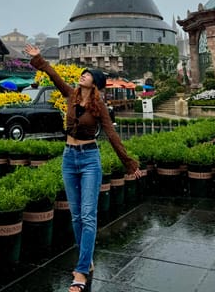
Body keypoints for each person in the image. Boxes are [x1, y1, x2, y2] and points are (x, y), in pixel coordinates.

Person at [24, 44, 141, 292]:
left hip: (89, 159)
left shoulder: (99, 109)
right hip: (69, 158)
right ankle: (87, 261)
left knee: (88, 216)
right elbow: (54, 76)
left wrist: (128, 162)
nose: (83, 74)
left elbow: (111, 135)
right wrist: (39, 59)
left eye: (87, 74)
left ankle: (80, 271)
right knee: (76, 216)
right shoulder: (70, 94)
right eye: (83, 73)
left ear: (95, 84)